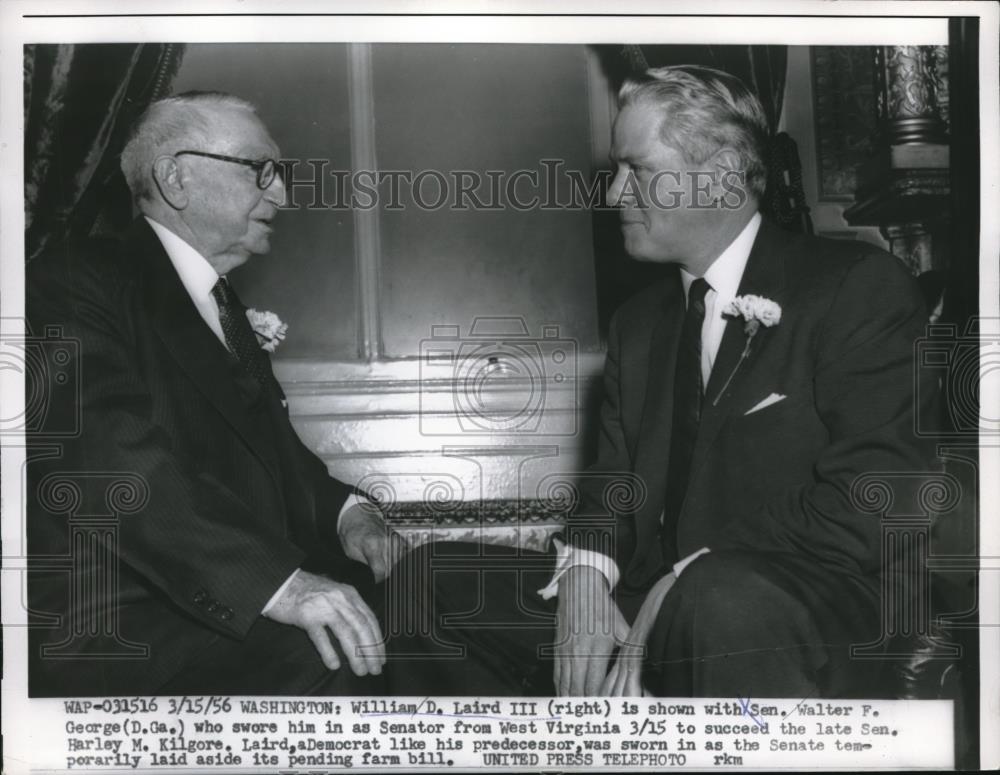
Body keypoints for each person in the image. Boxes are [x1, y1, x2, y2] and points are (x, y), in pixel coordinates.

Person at [390, 65, 939, 698]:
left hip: (804, 596)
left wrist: (683, 578)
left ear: (723, 178)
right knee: (425, 583)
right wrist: (586, 576)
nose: (615, 193)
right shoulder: (640, 322)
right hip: (664, 592)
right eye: (615, 170)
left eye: (638, 171)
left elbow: (878, 495)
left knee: (717, 601)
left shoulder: (856, 287)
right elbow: (613, 483)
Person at [26, 91, 398, 696]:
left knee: (443, 617)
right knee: (380, 672)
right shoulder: (69, 284)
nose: (282, 194)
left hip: (221, 616)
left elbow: (272, 460)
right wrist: (281, 585)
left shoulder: (219, 304)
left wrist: (354, 516)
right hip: (133, 635)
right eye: (261, 170)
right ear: (176, 178)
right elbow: (113, 463)